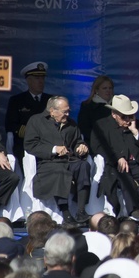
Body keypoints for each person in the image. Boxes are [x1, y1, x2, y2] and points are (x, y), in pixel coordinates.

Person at [90, 94, 139, 219]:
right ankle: (134, 211)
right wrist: (117, 157)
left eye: (131, 116)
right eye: (124, 117)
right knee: (125, 177)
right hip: (116, 165)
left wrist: (136, 133)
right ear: (114, 115)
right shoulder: (102, 125)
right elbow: (97, 147)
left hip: (138, 163)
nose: (128, 120)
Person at [26, 95, 93, 225]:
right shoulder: (36, 121)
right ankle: (66, 213)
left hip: (70, 160)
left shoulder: (71, 123)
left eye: (68, 111)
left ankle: (81, 211)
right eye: (64, 111)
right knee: (60, 172)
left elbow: (77, 140)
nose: (67, 114)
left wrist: (81, 146)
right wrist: (54, 149)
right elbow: (30, 145)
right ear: (52, 111)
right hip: (49, 162)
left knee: (84, 166)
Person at [5, 61, 51, 162]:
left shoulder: (51, 100)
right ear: (29, 80)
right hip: (25, 143)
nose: (41, 81)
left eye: (42, 78)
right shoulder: (17, 101)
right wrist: (32, 132)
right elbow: (11, 125)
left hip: (48, 143)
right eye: (37, 78)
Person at [77, 75, 115, 147]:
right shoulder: (87, 106)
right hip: (95, 145)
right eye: (104, 88)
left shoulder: (118, 105)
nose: (108, 91)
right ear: (96, 90)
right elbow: (84, 128)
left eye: (110, 88)